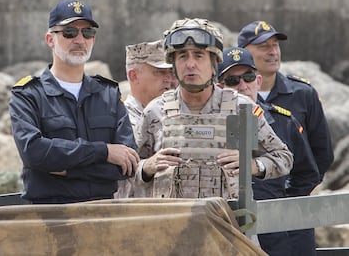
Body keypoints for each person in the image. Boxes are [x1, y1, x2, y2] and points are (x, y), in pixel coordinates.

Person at [134, 18, 293, 199]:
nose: (190, 64)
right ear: (174, 64)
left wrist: (253, 165)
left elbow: (283, 157)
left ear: (213, 64)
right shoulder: (156, 110)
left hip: (224, 223)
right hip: (170, 224)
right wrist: (146, 167)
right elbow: (126, 170)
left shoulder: (240, 109)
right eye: (183, 56)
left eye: (199, 55)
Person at [8, 0, 139, 204]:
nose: (79, 40)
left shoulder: (109, 94)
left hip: (104, 216)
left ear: (93, 40)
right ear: (50, 40)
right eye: (69, 32)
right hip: (51, 218)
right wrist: (103, 151)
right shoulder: (28, 95)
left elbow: (126, 164)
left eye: (87, 33)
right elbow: (34, 153)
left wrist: (62, 169)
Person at [238, 21, 334, 256]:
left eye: (275, 45)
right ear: (244, 52)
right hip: (242, 210)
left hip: (290, 210)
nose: (272, 52)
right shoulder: (226, 98)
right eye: (263, 46)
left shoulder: (303, 94)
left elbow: (321, 155)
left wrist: (290, 196)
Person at [218, 46, 319, 256]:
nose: (242, 86)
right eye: (232, 81)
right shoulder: (211, 127)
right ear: (219, 87)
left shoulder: (283, 121)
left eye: (248, 77)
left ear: (258, 81)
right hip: (227, 229)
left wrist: (280, 206)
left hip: (277, 231)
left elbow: (307, 173)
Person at [114, 39, 175, 198]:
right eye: (160, 72)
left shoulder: (175, 114)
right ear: (134, 76)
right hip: (133, 214)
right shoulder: (116, 118)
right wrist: (146, 167)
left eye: (171, 72)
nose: (169, 79)